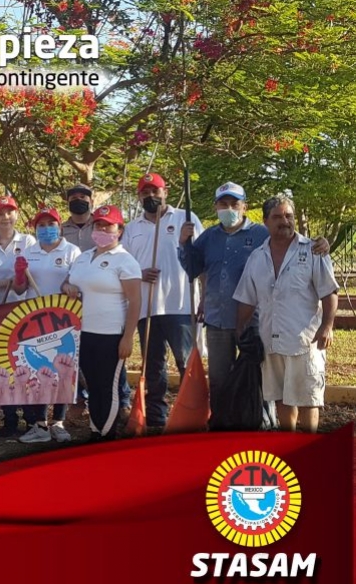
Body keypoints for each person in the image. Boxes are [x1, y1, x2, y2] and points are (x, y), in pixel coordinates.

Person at [178, 182, 329, 428]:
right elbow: (193, 269)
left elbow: (291, 241)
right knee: (219, 378)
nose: (229, 208)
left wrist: (320, 243)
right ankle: (222, 424)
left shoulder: (261, 233)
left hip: (257, 322)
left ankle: (263, 423)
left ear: (244, 206)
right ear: (216, 207)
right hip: (218, 319)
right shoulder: (208, 237)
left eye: (234, 204)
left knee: (260, 377)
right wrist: (184, 244)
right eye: (223, 204)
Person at [234, 195, 338, 434]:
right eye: (278, 217)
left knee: (308, 398)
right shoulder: (257, 257)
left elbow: (329, 292)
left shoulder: (313, 251)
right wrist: (239, 330)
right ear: (266, 221)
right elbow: (246, 299)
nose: (285, 221)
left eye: (289, 216)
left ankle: (309, 445)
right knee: (281, 397)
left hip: (306, 340)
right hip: (271, 340)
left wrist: (327, 326)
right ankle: (288, 441)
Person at [121, 173, 203, 430]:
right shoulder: (133, 228)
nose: (151, 196)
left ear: (165, 192)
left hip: (180, 306)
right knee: (154, 367)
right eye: (145, 192)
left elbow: (201, 259)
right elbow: (124, 266)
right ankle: (156, 417)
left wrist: (205, 297)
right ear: (139, 196)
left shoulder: (185, 219)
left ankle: (194, 415)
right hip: (147, 308)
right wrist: (140, 273)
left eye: (155, 191)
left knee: (186, 363)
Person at [62, 205, 142, 441]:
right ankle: (96, 429)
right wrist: (68, 287)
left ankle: (105, 435)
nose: (102, 229)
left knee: (108, 388)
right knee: (93, 386)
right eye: (98, 225)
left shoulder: (125, 261)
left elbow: (136, 302)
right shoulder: (83, 257)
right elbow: (68, 283)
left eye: (108, 225)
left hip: (111, 335)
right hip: (83, 333)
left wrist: (128, 337)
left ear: (119, 230)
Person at [13, 207, 82, 444]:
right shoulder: (29, 252)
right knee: (40, 367)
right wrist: (20, 275)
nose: (46, 229)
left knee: (63, 367)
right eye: (41, 225)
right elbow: (20, 290)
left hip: (64, 319)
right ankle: (39, 424)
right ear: (35, 228)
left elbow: (77, 282)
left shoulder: (73, 252)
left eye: (50, 224)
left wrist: (69, 285)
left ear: (59, 226)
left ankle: (58, 422)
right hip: (35, 319)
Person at [0, 195, 36, 437]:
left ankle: (32, 420)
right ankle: (10, 418)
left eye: (10, 212)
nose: (5, 217)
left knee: (25, 365)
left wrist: (19, 280)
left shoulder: (29, 241)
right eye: (0, 213)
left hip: (22, 312)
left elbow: (24, 285)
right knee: (3, 366)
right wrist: (5, 282)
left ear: (17, 214)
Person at [61, 184, 95, 251]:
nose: (78, 200)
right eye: (74, 198)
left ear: (91, 202)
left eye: (82, 197)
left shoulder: (100, 227)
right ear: (68, 203)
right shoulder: (60, 230)